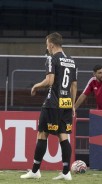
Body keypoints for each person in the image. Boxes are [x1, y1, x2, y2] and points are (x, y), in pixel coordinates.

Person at [20, 32, 77, 180]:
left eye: (47, 45)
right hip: (66, 102)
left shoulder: (52, 59)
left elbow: (50, 81)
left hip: (53, 103)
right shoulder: (71, 60)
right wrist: (72, 104)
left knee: (42, 134)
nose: (47, 47)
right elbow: (74, 85)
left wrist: (36, 86)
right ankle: (66, 173)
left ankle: (35, 171)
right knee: (63, 135)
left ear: (51, 44)